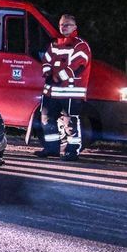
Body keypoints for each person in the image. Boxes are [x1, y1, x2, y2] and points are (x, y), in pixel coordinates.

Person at [36, 14, 91, 160]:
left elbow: (77, 66)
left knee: (70, 122)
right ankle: (51, 149)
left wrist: (56, 77)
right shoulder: (55, 44)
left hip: (70, 92)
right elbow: (46, 60)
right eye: (61, 25)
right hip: (52, 91)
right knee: (46, 119)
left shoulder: (80, 45)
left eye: (67, 24)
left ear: (75, 27)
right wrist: (47, 73)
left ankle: (72, 152)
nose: (64, 27)